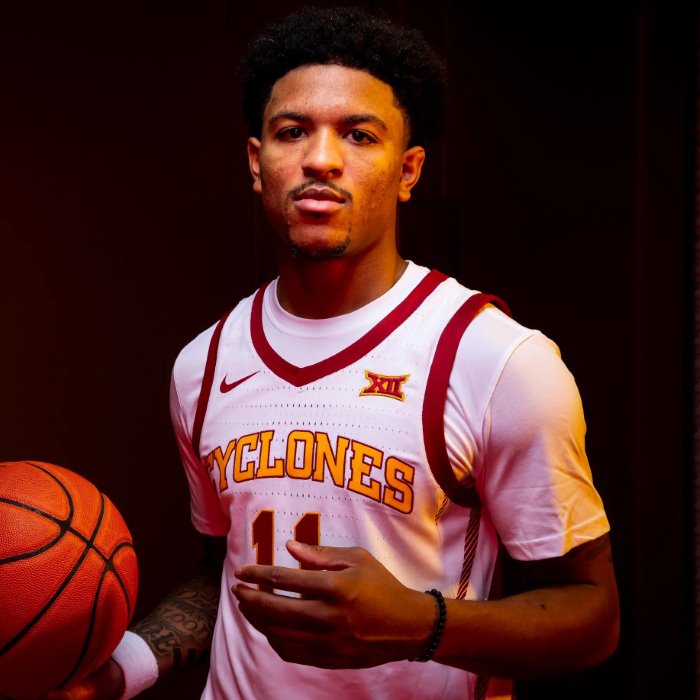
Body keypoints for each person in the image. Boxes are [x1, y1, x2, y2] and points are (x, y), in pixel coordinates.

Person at [49, 6, 619, 700]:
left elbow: (593, 616)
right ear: (257, 162)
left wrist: (421, 625)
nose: (320, 159)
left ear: (409, 170)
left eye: (359, 134)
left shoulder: (495, 360)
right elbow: (224, 570)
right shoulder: (202, 364)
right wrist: (120, 673)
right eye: (293, 131)